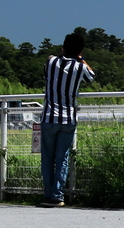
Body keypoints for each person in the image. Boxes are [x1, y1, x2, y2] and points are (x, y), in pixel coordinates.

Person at [39, 30, 94, 207]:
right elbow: (91, 78)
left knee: (47, 157)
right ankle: (57, 195)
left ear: (63, 47)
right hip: (68, 118)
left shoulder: (51, 61)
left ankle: (47, 194)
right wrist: (81, 59)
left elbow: (46, 75)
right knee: (62, 158)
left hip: (48, 116)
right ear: (80, 51)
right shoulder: (80, 67)